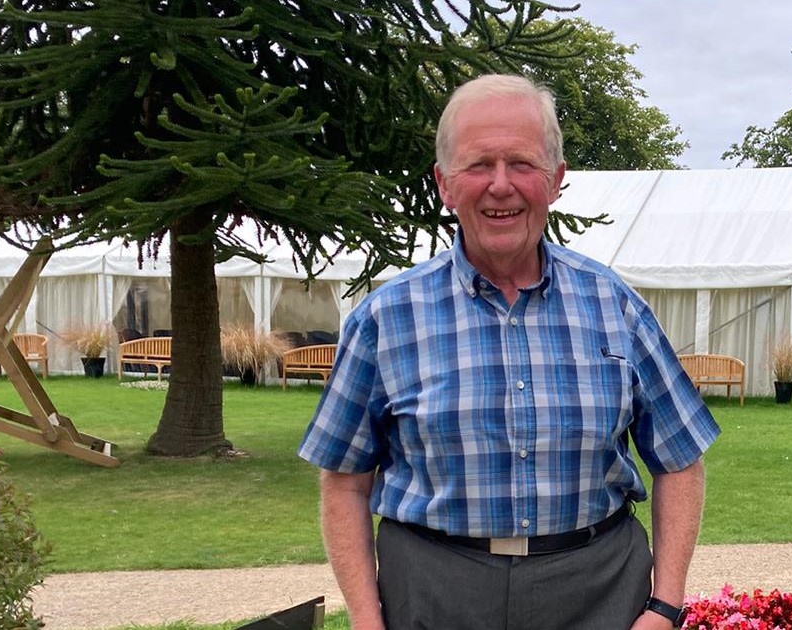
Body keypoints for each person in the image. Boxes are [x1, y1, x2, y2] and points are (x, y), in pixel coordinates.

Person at [298, 73, 720, 630]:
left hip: (598, 590)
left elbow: (681, 458)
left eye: (522, 164)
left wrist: (664, 605)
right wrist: (367, 620)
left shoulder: (615, 306)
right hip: (432, 591)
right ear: (445, 184)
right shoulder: (385, 319)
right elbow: (346, 481)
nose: (501, 186)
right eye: (478, 165)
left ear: (556, 180)